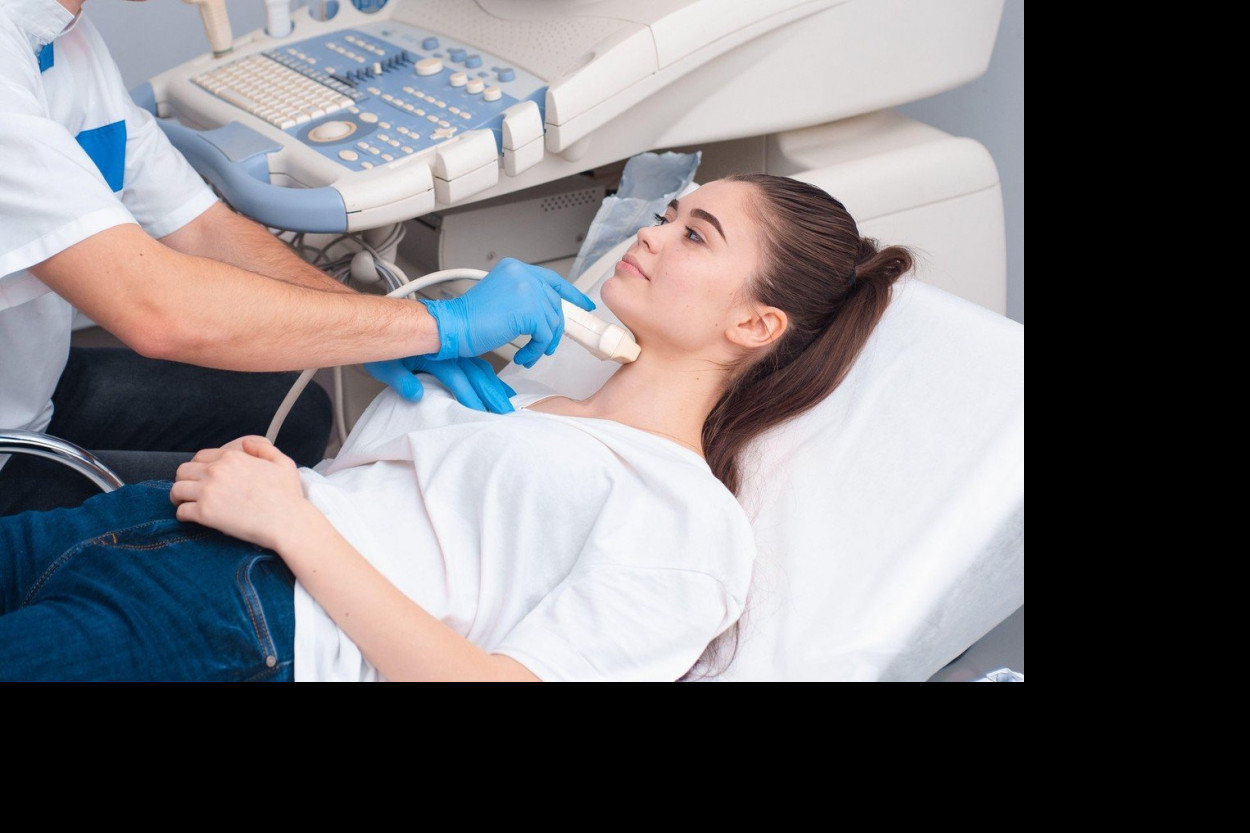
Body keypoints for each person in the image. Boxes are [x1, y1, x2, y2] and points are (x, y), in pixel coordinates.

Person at [0, 174, 914, 682]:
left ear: (755, 324)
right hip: (156, 524)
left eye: (696, 235)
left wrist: (295, 524)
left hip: (241, 615)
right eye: (670, 214)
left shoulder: (687, 520)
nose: (653, 233)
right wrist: (417, 339)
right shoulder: (517, 397)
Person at [0, 0, 578, 516]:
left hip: (33, 389)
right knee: (274, 513)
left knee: (296, 416)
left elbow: (200, 227)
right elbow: (157, 310)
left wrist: (388, 332)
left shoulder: (67, 35)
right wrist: (440, 324)